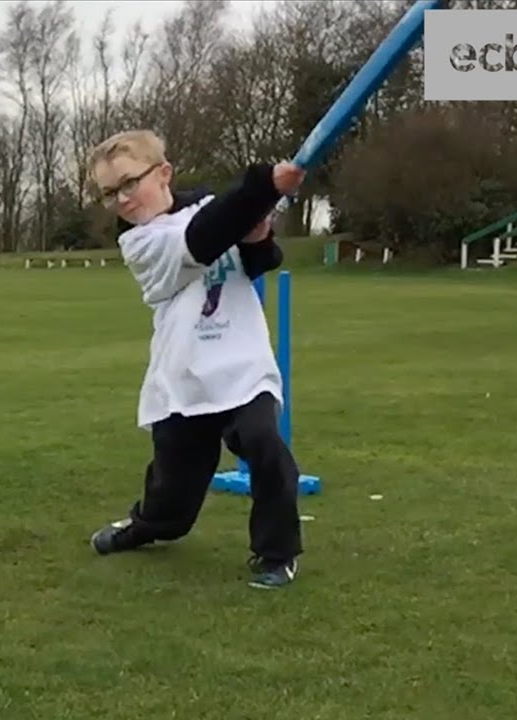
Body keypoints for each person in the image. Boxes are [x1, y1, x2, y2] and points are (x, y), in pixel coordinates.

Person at [87, 129, 308, 590]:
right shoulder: (140, 242)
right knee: (173, 502)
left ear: (163, 173)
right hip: (184, 376)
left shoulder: (210, 208)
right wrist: (263, 186)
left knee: (265, 445)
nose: (122, 199)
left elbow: (258, 261)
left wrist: (257, 233)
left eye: (129, 183)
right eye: (110, 193)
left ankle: (277, 554)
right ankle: (145, 525)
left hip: (243, 366)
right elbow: (203, 239)